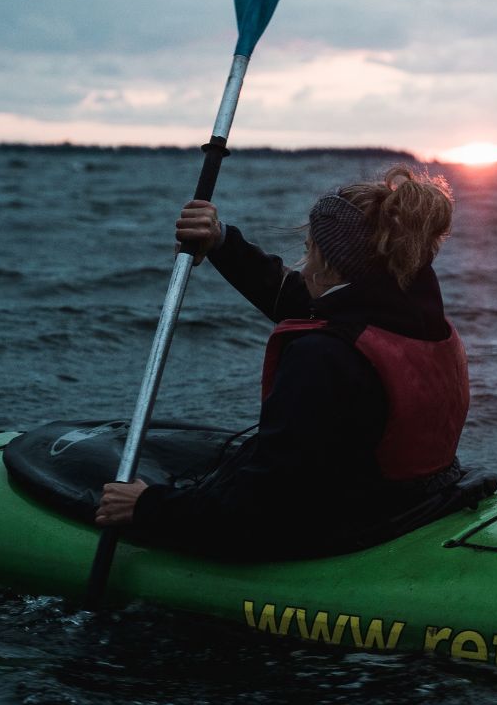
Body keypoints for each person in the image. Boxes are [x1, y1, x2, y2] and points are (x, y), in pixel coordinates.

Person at [93, 164, 474, 559]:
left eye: (311, 250)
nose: (302, 265)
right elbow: (308, 302)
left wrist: (146, 507)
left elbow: (261, 512)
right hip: (415, 500)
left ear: (334, 264)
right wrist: (221, 242)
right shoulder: (419, 317)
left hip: (352, 525)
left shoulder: (324, 358)